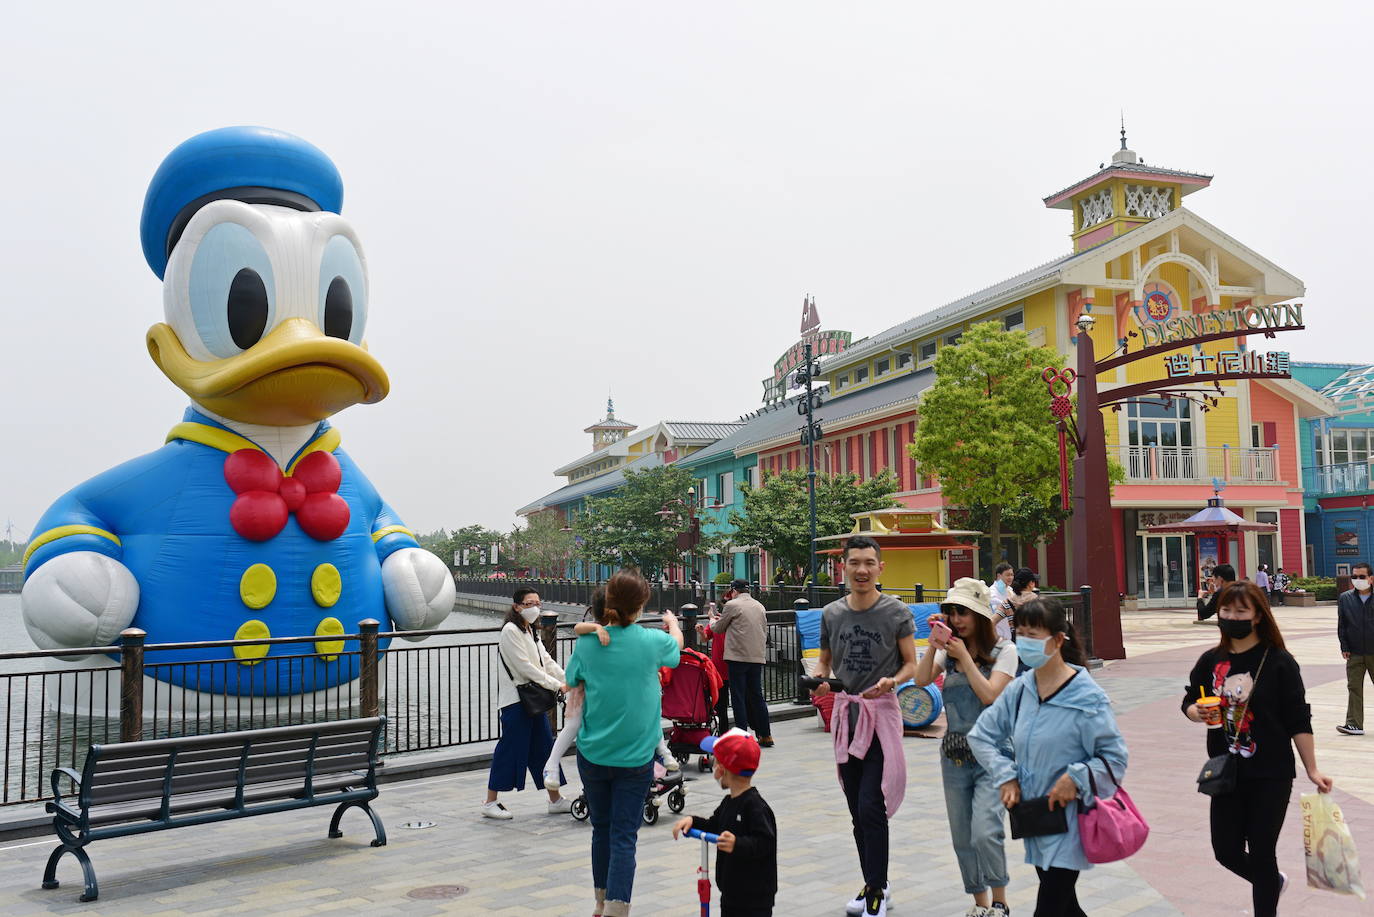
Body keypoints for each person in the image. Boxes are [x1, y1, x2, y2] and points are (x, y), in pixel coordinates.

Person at [967, 597, 1128, 917]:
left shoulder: (1087, 695)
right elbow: (981, 735)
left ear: (1057, 640)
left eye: (1034, 634)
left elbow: (1115, 758)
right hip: (1034, 814)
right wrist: (1006, 774)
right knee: (1066, 907)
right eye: (1021, 633)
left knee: (1051, 905)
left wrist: (1077, 777)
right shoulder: (1021, 689)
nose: (1024, 641)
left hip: (1073, 817)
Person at [1182, 582, 1333, 917]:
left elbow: (1298, 718)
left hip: (1271, 772)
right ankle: (1271, 881)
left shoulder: (1279, 662)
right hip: (1225, 769)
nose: (1231, 616)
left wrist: (1312, 768)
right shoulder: (1210, 661)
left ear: (1257, 616)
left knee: (1263, 852)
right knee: (1226, 852)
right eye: (1225, 609)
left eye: (1240, 611)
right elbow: (1191, 699)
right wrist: (1196, 712)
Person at [564, 570, 684, 917]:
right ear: (641, 604)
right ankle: (617, 909)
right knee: (623, 837)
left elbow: (571, 679)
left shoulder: (589, 642)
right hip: (634, 758)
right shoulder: (650, 641)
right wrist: (673, 623)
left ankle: (600, 904)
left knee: (601, 830)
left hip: (593, 753)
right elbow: (676, 649)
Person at [810, 535, 918, 917]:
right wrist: (819, 678)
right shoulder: (832, 614)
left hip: (881, 716)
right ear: (843, 566)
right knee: (857, 808)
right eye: (854, 562)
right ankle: (876, 882)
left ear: (880, 567)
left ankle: (876, 888)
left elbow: (911, 664)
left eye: (869, 562)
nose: (861, 569)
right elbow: (824, 661)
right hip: (847, 715)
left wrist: (893, 681)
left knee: (872, 805)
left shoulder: (896, 612)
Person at [915, 577, 1019, 917]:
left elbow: (990, 695)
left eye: (963, 612)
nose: (956, 619)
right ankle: (980, 904)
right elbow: (920, 680)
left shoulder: (1007, 651)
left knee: (985, 831)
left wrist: (965, 657)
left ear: (979, 615)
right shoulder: (950, 653)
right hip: (954, 755)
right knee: (962, 835)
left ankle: (1000, 902)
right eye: (951, 612)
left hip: (994, 756)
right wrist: (933, 645)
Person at [544, 587, 677, 790]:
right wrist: (673, 624)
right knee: (647, 715)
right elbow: (580, 628)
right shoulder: (637, 638)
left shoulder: (590, 642)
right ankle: (552, 763)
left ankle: (552, 764)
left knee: (574, 723)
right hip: (596, 694)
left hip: (594, 711)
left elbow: (578, 643)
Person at [484, 587, 573, 819]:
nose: (534, 608)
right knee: (509, 749)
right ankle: (490, 802)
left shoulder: (530, 631)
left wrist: (568, 679)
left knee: (544, 746)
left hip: (532, 700)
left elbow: (546, 661)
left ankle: (554, 799)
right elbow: (525, 668)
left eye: (537, 603)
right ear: (516, 607)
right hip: (515, 701)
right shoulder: (510, 631)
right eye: (528, 604)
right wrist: (557, 686)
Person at [672, 728, 777, 917]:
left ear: (722, 768)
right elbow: (714, 825)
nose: (713, 766)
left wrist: (738, 844)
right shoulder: (729, 802)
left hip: (755, 899)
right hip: (731, 893)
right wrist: (693, 821)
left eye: (715, 760)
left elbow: (765, 843)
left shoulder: (755, 807)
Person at [713, 578, 773, 746]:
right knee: (757, 696)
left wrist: (711, 621)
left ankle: (742, 738)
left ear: (734, 590)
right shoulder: (759, 606)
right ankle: (766, 735)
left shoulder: (732, 605)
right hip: (757, 657)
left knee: (738, 697)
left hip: (737, 658)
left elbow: (718, 628)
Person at [1337, 562, 1374, 736]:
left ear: (1371, 578)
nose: (1357, 580)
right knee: (1354, 687)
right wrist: (1344, 646)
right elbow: (1342, 624)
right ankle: (1354, 724)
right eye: (1354, 577)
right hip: (1355, 652)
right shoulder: (1345, 598)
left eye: (1362, 577)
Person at [701, 598, 732, 732]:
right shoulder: (716, 622)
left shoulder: (734, 622)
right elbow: (705, 638)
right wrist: (701, 631)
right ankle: (723, 733)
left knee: (737, 702)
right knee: (721, 705)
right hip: (719, 670)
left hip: (732, 667)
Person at [993, 568, 1038, 643]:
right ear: (1030, 583)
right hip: (1035, 642)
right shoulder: (1038, 601)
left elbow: (991, 622)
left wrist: (998, 640)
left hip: (1016, 644)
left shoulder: (1007, 602)